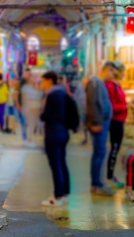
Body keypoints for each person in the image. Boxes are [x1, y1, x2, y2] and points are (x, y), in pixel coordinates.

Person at [85, 61, 121, 196]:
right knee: (100, 153)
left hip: (101, 123)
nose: (113, 76)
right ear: (107, 70)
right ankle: (97, 184)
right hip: (98, 124)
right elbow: (93, 104)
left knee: (99, 153)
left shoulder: (99, 84)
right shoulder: (95, 83)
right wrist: (95, 122)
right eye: (112, 72)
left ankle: (96, 183)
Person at [40, 71, 70, 206]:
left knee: (55, 164)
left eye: (43, 81)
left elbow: (45, 115)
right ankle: (64, 194)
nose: (42, 84)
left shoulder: (51, 95)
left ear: (49, 81)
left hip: (53, 133)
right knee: (62, 162)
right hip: (63, 132)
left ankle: (57, 197)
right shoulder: (63, 93)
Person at [106, 66, 128, 187]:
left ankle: (110, 176)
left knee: (116, 149)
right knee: (114, 150)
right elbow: (112, 106)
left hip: (119, 121)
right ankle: (109, 177)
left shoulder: (116, 85)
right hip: (115, 121)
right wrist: (126, 107)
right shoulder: (110, 86)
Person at [20, 71, 44, 145]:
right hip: (30, 107)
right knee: (30, 124)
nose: (34, 79)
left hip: (37, 107)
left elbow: (41, 96)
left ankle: (30, 138)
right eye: (33, 78)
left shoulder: (37, 86)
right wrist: (26, 108)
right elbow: (24, 98)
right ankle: (28, 139)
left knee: (36, 123)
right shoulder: (25, 87)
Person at [73, 76, 89, 145]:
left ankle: (85, 131)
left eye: (85, 80)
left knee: (85, 119)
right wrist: (76, 102)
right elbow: (76, 95)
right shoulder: (79, 87)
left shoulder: (89, 87)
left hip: (87, 106)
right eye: (83, 80)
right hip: (80, 104)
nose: (84, 81)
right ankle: (82, 129)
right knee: (81, 117)